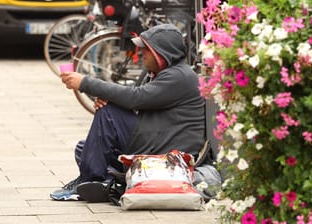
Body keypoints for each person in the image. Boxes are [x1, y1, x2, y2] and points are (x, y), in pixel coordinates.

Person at [50, 24, 207, 201]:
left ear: (161, 52)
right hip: (154, 139)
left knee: (107, 115)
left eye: (146, 49)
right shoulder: (159, 72)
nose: (141, 53)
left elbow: (135, 98)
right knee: (85, 148)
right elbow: (133, 99)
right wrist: (105, 98)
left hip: (166, 151)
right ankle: (106, 180)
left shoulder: (180, 76)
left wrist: (86, 83)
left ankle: (91, 181)